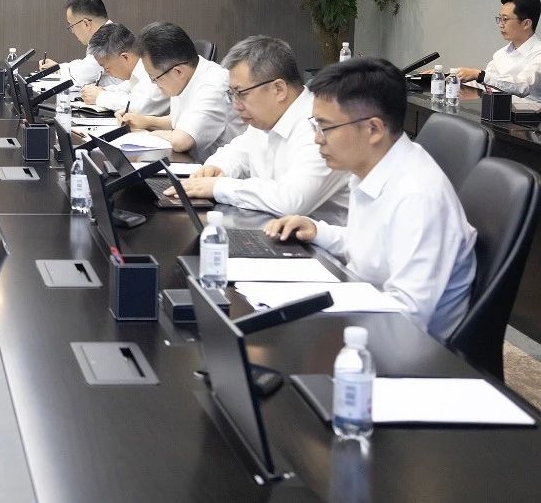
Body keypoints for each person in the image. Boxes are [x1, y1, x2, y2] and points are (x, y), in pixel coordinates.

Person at [264, 57, 477, 339]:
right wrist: (318, 231)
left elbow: (407, 314)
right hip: (365, 312)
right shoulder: (374, 167)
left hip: (404, 348)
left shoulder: (417, 198)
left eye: (325, 127)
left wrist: (320, 307)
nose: (317, 138)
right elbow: (376, 247)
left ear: (373, 129)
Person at [174, 35, 349, 223]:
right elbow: (236, 153)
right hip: (272, 229)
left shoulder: (320, 127)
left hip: (319, 239)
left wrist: (218, 187)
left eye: (241, 93)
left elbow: (292, 201)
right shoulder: (265, 119)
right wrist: (216, 168)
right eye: (231, 94)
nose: (236, 105)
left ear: (278, 89)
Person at [121, 21, 243, 157]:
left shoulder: (214, 84)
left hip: (214, 166)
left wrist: (158, 134)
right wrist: (145, 121)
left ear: (178, 71)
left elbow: (180, 141)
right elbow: (179, 120)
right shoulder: (188, 74)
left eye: (154, 78)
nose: (154, 83)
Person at [452, 0, 541, 102]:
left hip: (529, 112)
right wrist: (448, 77)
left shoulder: (538, 53)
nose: (500, 25)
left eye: (505, 19)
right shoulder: (501, 54)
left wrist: (480, 75)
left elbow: (523, 86)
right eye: (500, 19)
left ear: (526, 24)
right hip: (499, 110)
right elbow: (485, 83)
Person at [79, 22, 167, 115]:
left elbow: (139, 107)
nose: (106, 72)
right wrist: (99, 91)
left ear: (125, 57)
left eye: (107, 68)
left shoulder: (154, 68)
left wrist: (100, 96)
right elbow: (124, 89)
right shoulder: (136, 71)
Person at [39, 0, 111, 87]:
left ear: (86, 24)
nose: (72, 31)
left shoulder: (108, 42)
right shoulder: (110, 34)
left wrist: (57, 69)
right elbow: (86, 64)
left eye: (72, 26)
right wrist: (57, 68)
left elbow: (81, 76)